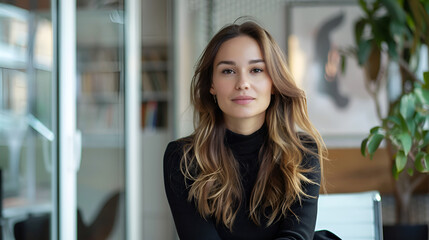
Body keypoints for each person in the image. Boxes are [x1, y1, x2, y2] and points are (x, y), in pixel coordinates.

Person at [163, 20, 333, 240]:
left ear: (273, 82)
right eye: (228, 71)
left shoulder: (303, 152)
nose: (243, 83)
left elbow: (295, 237)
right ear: (211, 84)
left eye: (256, 70)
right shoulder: (183, 158)